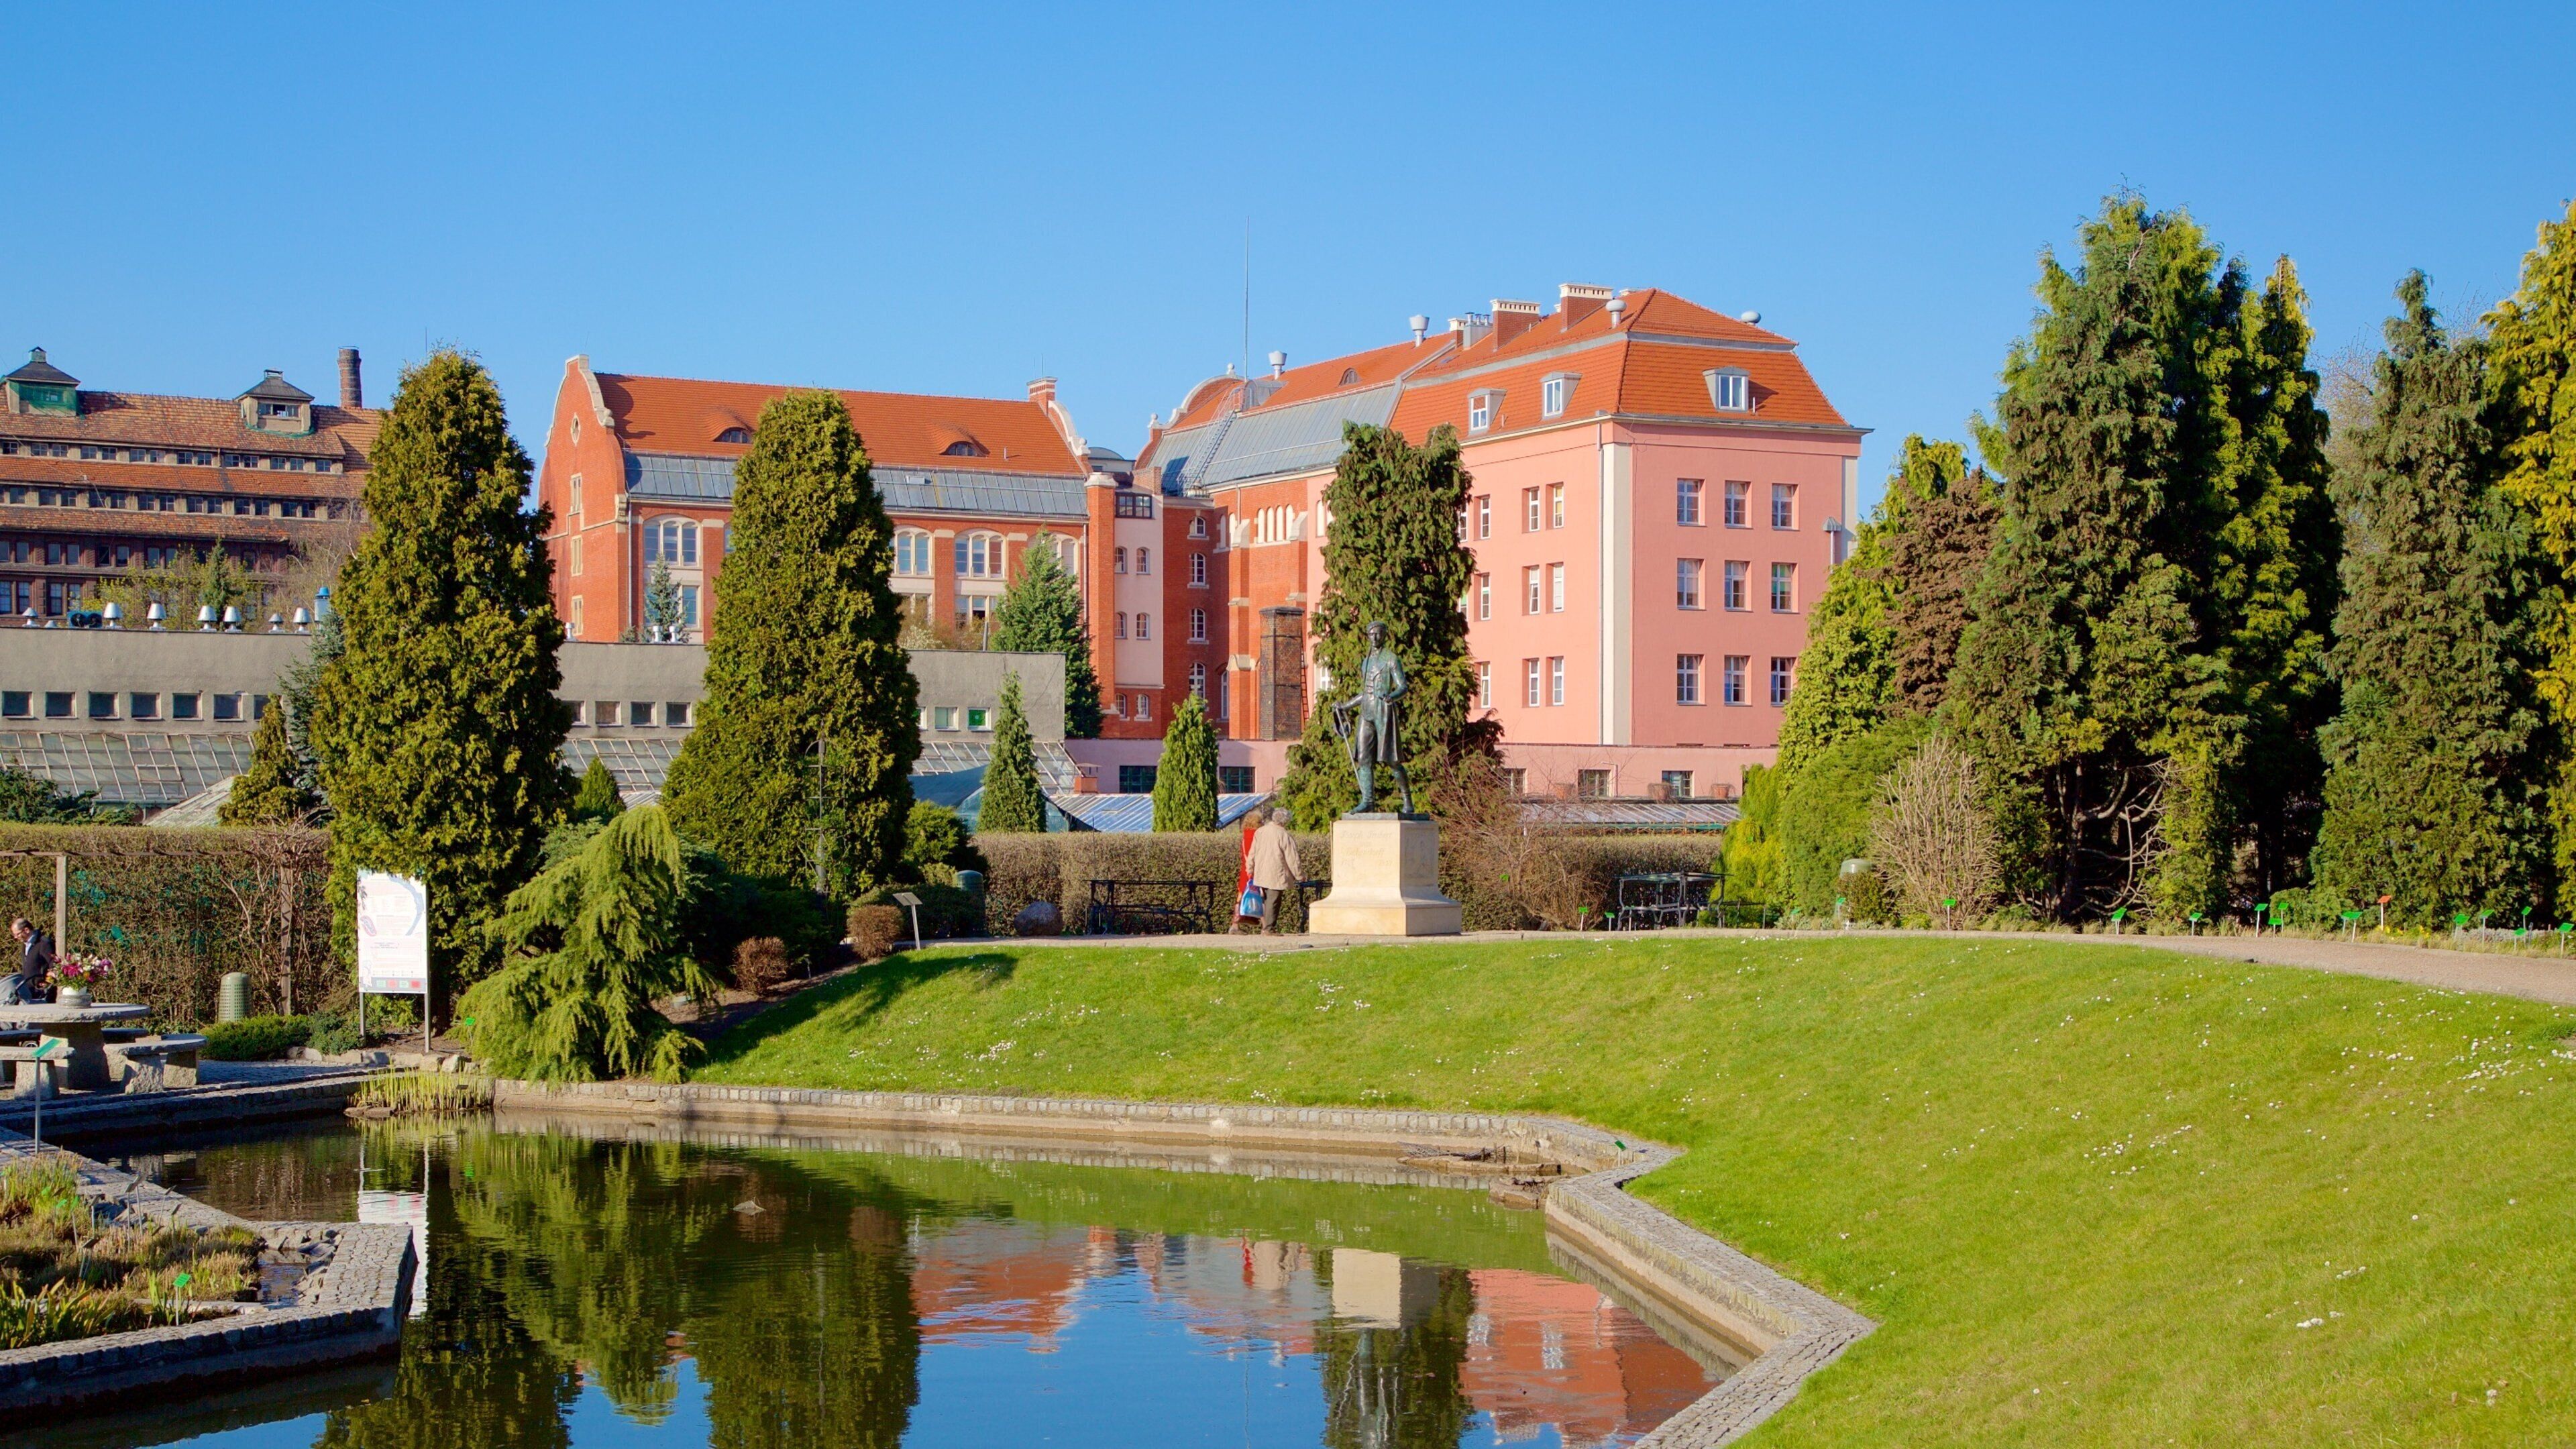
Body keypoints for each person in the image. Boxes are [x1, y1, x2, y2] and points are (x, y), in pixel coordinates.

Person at [1247, 809, 1302, 934]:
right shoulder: (1284, 835)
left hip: (1261, 872)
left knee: (1266, 901)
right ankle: (1269, 929)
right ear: (1285, 821)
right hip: (1276, 872)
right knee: (1273, 901)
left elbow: (1252, 851)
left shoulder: (1260, 832)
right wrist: (1299, 875)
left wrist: (1250, 867)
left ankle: (1266, 927)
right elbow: (1292, 858)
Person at [3, 918, 54, 1006]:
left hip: (42, 993)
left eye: (17, 934)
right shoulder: (25, 945)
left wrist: (46, 981)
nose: (15, 937)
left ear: (26, 930)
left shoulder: (44, 944)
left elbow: (54, 965)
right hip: (28, 991)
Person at [1233, 808, 1263, 932]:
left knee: (1241, 896)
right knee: (1262, 897)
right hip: (1253, 871)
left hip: (1244, 871)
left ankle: (1235, 924)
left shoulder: (1245, 836)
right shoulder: (1256, 837)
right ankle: (1266, 926)